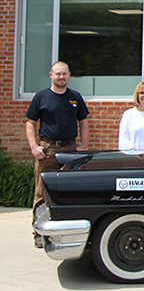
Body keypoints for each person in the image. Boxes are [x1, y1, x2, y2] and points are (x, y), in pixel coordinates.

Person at [25, 61, 89, 248]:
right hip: (48, 150)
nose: (61, 77)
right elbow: (30, 122)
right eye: (58, 74)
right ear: (50, 75)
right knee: (41, 192)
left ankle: (65, 230)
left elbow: (83, 121)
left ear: (69, 75)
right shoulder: (41, 97)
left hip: (70, 150)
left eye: (64, 74)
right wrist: (34, 146)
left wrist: (84, 146)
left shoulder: (75, 97)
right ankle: (38, 232)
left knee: (69, 191)